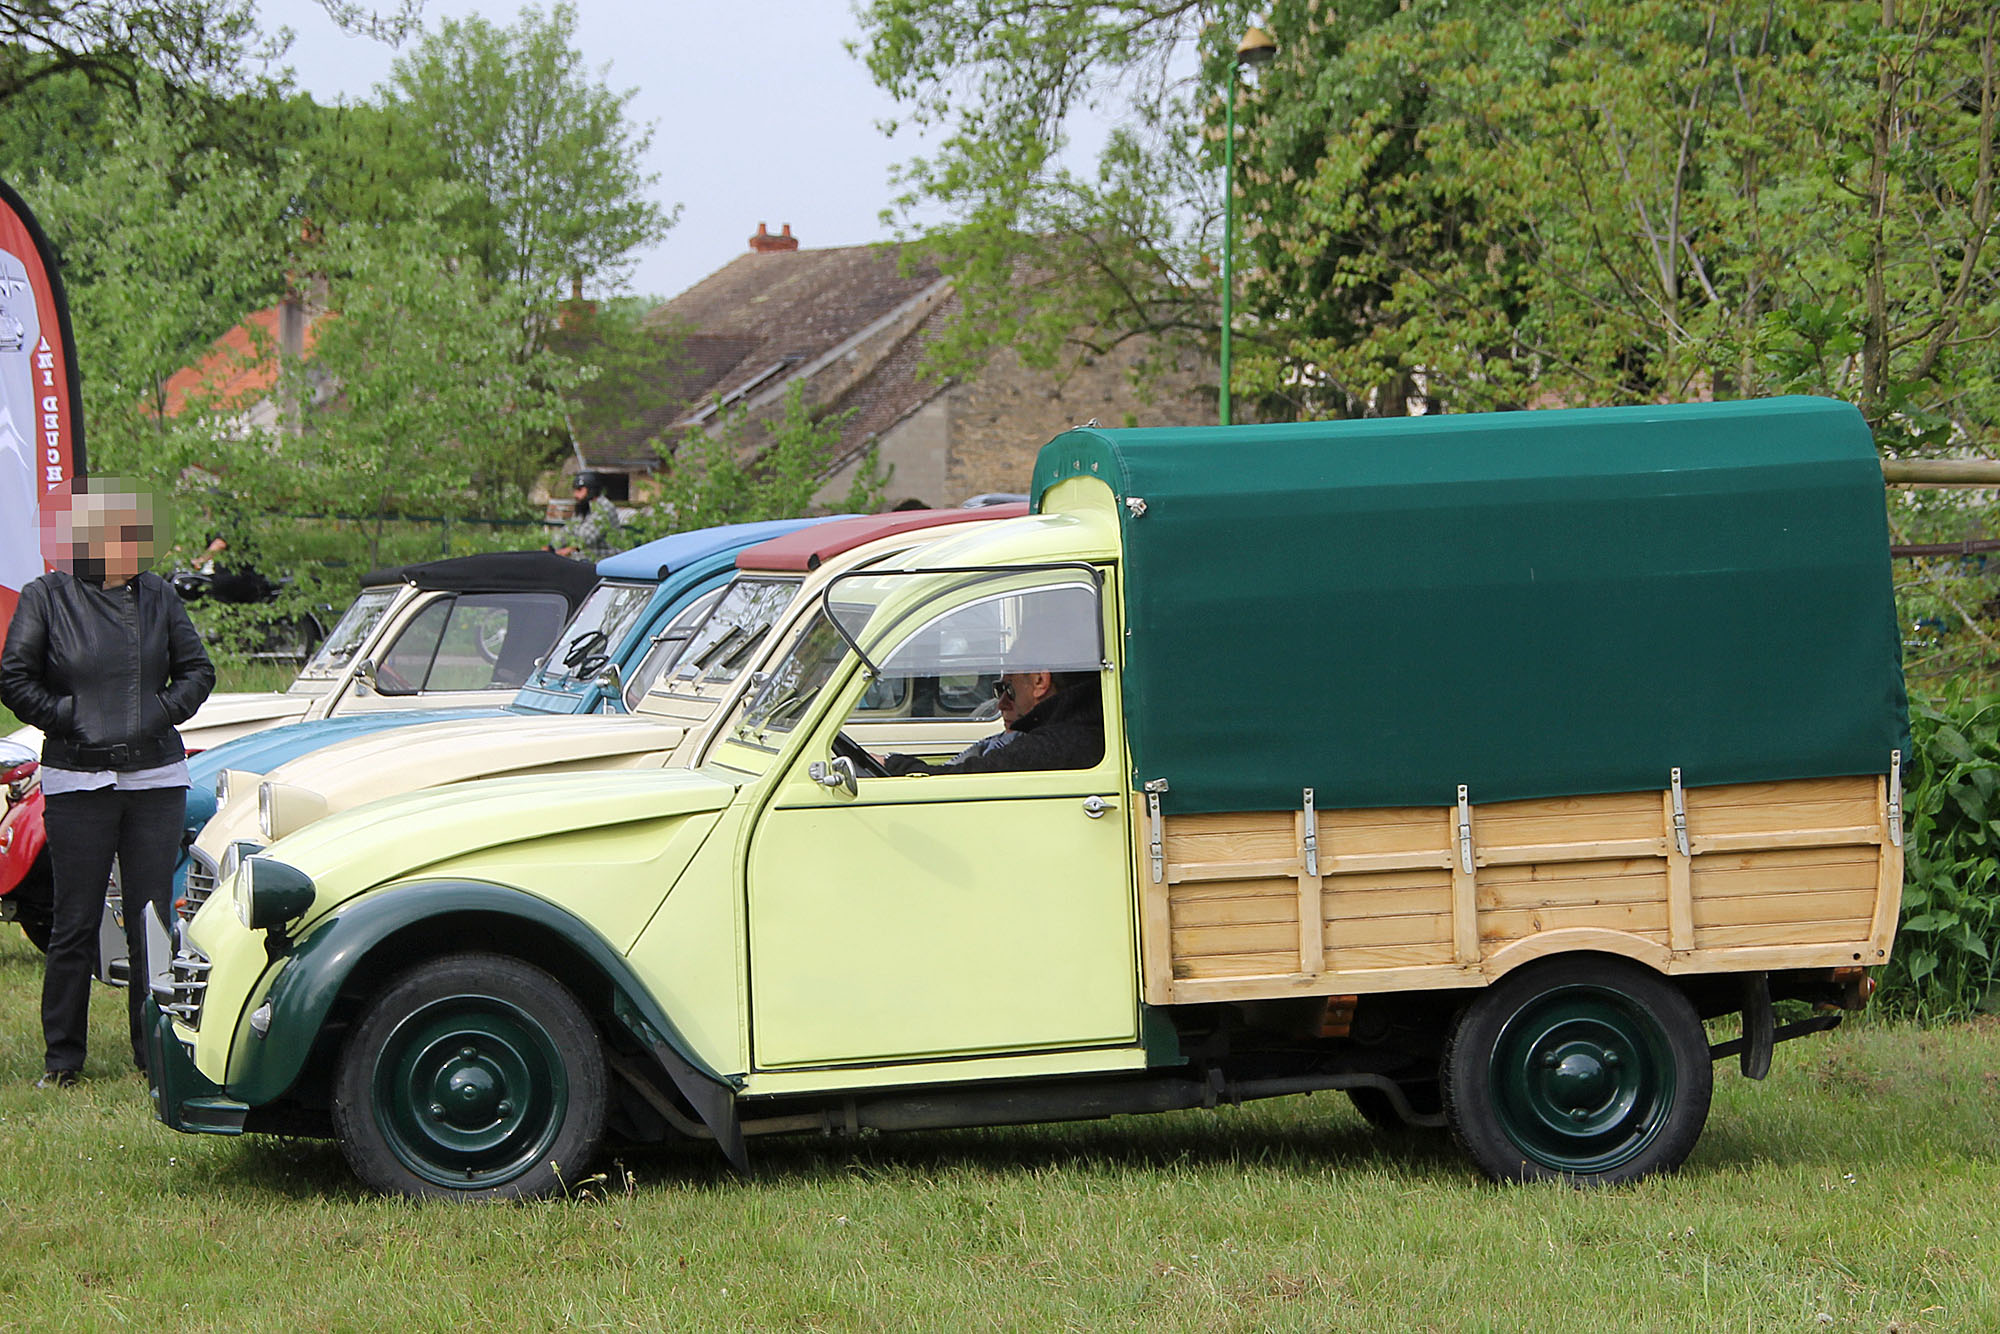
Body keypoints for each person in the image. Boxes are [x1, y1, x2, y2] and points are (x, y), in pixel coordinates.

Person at [0, 484, 215, 1088]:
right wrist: (69, 717)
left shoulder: (160, 596)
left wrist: (158, 711)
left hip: (155, 778)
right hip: (77, 779)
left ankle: (155, 1054)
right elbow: (13, 677)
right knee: (74, 921)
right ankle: (62, 1061)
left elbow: (198, 670)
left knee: (153, 921)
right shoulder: (46, 597)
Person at [884, 669, 1102, 776]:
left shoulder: (1055, 745)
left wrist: (892, 765)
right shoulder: (1079, 727)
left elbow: (960, 780)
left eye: (1008, 689)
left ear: (1039, 681)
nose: (1001, 704)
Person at [551, 471, 623, 560]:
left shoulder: (604, 507)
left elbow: (586, 537)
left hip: (603, 559)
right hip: (584, 558)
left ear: (591, 490)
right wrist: (552, 546)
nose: (575, 495)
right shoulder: (584, 507)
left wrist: (569, 549)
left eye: (579, 490)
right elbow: (569, 529)